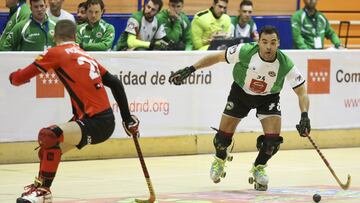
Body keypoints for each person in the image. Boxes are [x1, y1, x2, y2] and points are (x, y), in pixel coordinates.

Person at [9, 19, 140, 203]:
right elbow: (116, 84)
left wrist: (13, 76)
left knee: (48, 135)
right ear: (75, 36)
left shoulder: (55, 52)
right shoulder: (85, 55)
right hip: (103, 121)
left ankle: (44, 191)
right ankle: (39, 190)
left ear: (54, 35)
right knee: (48, 150)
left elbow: (18, 79)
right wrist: (127, 120)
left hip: (96, 122)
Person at [169, 25, 311, 191]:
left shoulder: (285, 63)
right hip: (240, 94)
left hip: (268, 98)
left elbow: (302, 92)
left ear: (278, 43)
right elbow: (217, 57)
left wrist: (305, 116)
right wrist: (191, 69)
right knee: (222, 140)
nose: (268, 47)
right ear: (258, 42)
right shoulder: (245, 51)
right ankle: (220, 159)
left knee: (272, 142)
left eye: (273, 42)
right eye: (264, 42)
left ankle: (259, 168)